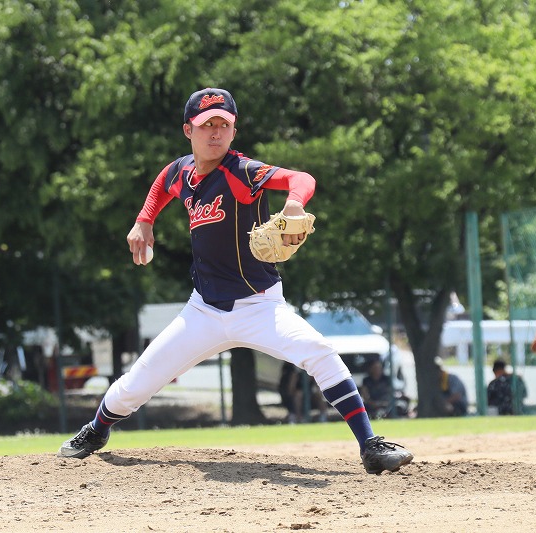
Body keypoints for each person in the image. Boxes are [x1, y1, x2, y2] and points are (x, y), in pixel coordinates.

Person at [58, 88, 412, 474]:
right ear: (188, 130)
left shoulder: (242, 171)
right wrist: (145, 219)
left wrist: (294, 202)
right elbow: (164, 180)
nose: (215, 132)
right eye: (206, 124)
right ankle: (96, 430)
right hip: (203, 311)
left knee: (320, 353)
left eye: (223, 125)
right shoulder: (183, 172)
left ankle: (370, 446)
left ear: (233, 130)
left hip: (259, 306)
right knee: (136, 384)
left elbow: (301, 178)